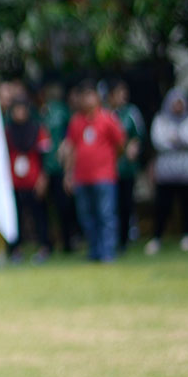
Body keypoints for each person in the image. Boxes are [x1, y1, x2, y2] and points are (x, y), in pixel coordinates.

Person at [62, 80, 125, 262]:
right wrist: (68, 174)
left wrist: (109, 162)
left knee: (105, 215)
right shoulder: (76, 122)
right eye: (83, 96)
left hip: (104, 176)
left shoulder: (107, 118)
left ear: (97, 98)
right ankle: (94, 251)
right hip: (82, 177)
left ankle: (107, 252)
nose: (87, 99)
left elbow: (120, 144)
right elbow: (71, 149)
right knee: (87, 217)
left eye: (90, 95)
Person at [144, 87, 188, 254]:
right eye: (175, 103)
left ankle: (187, 236)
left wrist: (178, 139)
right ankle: (157, 238)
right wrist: (180, 142)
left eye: (180, 103)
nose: (177, 106)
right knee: (163, 206)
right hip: (166, 173)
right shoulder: (161, 120)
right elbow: (159, 141)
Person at [5, 95, 52, 262]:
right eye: (15, 110)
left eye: (21, 109)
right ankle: (15, 249)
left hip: (34, 181)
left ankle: (44, 247)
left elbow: (45, 155)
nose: (19, 113)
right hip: (14, 182)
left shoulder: (37, 129)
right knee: (15, 217)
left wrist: (43, 178)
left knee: (39, 215)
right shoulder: (8, 131)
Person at [38, 81, 80, 253]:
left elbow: (69, 137)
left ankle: (68, 242)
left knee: (64, 206)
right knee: (46, 208)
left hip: (60, 167)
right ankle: (49, 243)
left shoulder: (62, 112)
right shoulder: (40, 113)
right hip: (44, 168)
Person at [107, 80, 145, 252]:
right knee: (110, 206)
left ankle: (124, 239)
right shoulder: (106, 114)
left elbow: (139, 136)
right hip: (108, 169)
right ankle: (111, 240)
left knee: (126, 203)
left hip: (126, 169)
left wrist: (133, 148)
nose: (123, 96)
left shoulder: (131, 112)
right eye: (119, 92)